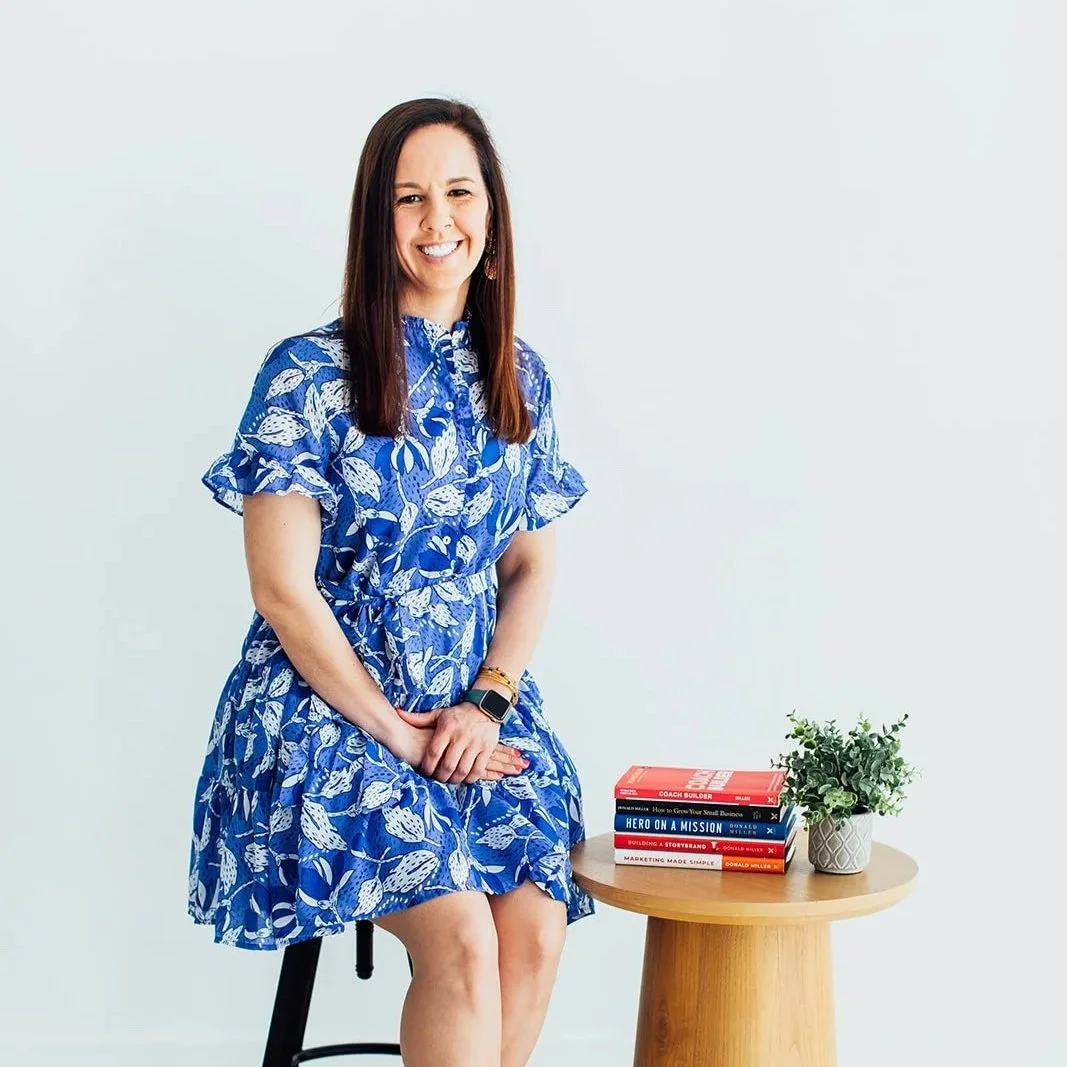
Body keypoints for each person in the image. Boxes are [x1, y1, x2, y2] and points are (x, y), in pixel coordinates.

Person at [187, 97, 594, 1067]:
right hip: (320, 717)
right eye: (408, 198)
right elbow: (282, 591)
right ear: (378, 224)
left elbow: (530, 561)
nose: (435, 218)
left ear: (490, 219)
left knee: (532, 924)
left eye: (457, 192)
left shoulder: (518, 377)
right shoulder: (308, 375)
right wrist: (397, 729)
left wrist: (485, 703)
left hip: (469, 712)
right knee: (461, 939)